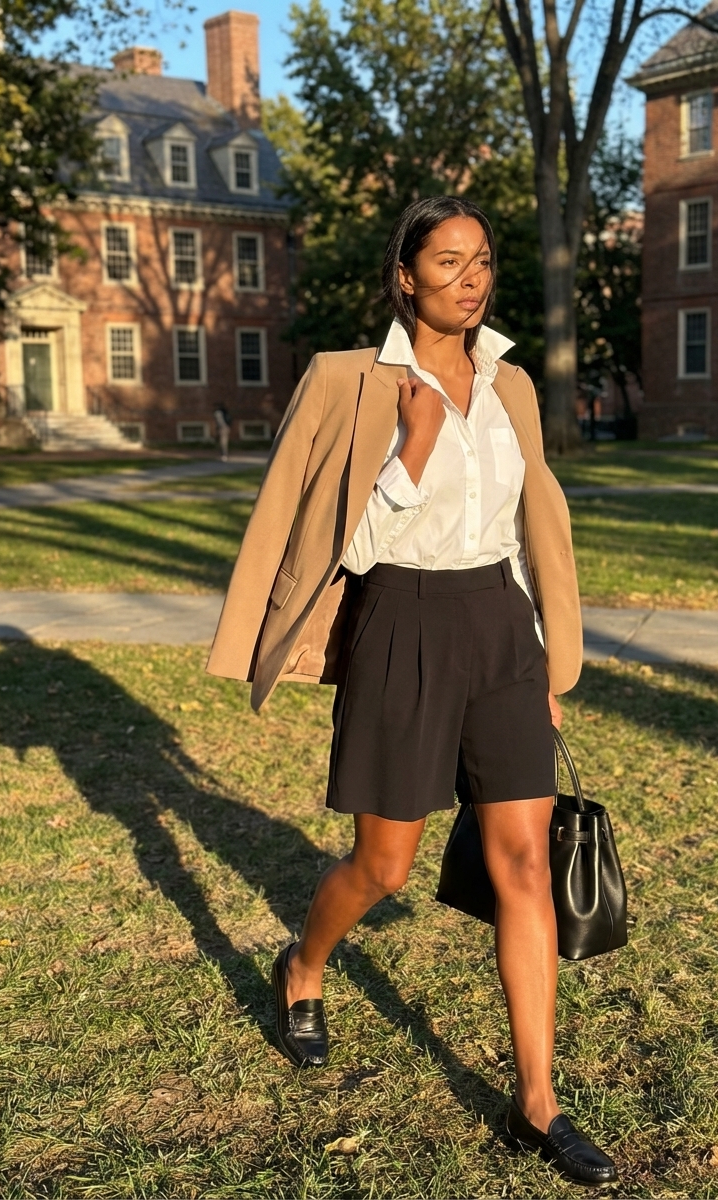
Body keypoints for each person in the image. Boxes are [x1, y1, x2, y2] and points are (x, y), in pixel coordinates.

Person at [206, 196, 618, 1187]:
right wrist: (414, 450)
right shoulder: (346, 382)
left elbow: (524, 521)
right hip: (400, 619)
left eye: (479, 261)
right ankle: (303, 968)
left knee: (523, 865)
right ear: (404, 276)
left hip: (497, 631)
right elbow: (331, 544)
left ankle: (536, 1101)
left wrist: (538, 657)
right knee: (382, 867)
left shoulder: (509, 384)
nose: (469, 279)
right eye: (446, 262)